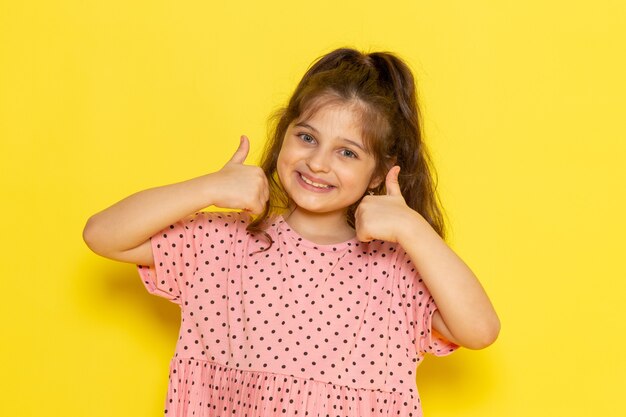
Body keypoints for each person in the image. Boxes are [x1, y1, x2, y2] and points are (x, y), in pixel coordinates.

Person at [83, 47, 500, 417]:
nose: (317, 163)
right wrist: (207, 187)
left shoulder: (397, 271)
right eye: (306, 137)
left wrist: (413, 227)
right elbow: (102, 235)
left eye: (347, 152)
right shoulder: (226, 244)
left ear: (378, 174)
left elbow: (480, 330)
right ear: (284, 136)